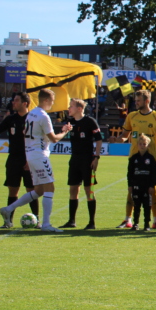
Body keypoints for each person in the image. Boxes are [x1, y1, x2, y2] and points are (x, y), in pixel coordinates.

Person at [0, 89, 72, 232]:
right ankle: (46, 224)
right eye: (52, 101)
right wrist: (65, 131)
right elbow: (54, 139)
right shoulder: (43, 116)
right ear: (46, 100)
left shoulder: (31, 114)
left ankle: (8, 209)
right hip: (40, 155)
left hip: (31, 154)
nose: (52, 104)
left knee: (38, 190)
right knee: (50, 188)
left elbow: (26, 135)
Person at [118, 90, 156, 230]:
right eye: (136, 100)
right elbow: (125, 135)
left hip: (152, 159)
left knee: (153, 189)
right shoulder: (132, 116)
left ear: (147, 101)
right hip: (134, 158)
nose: (136, 102)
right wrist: (118, 139)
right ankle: (128, 219)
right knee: (132, 189)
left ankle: (155, 221)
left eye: (138, 100)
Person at [0, 92, 39, 227]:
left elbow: (38, 141)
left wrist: (31, 160)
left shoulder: (33, 119)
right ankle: (8, 221)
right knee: (12, 190)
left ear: (25, 103)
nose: (13, 102)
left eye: (16, 100)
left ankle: (37, 220)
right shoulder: (11, 119)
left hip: (29, 160)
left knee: (31, 190)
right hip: (13, 159)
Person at [61, 98, 102, 230]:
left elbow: (99, 140)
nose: (69, 108)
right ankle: (71, 221)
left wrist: (96, 157)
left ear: (79, 109)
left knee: (89, 191)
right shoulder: (70, 122)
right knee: (73, 189)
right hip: (74, 160)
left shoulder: (89, 121)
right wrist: (64, 131)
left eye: (71, 106)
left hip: (87, 160)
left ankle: (91, 222)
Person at [127, 134, 156, 231]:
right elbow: (130, 173)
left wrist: (152, 186)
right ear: (137, 145)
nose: (142, 146)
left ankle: (146, 224)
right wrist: (130, 185)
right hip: (136, 186)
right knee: (136, 205)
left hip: (147, 186)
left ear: (148, 145)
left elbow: (155, 174)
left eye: (144, 144)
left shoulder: (151, 159)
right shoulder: (133, 158)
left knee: (147, 206)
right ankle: (136, 223)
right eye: (140, 144)